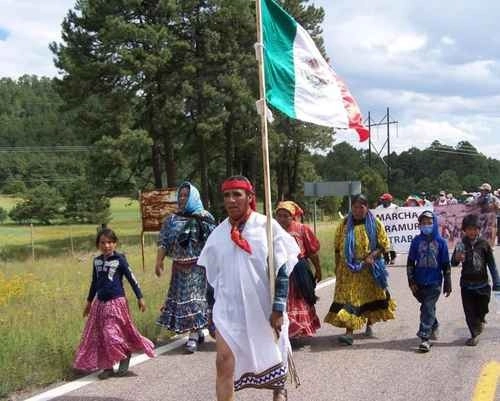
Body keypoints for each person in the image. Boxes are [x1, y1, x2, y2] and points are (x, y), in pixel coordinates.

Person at [197, 176, 300, 401]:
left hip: (263, 308)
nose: (231, 200)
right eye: (226, 195)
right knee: (223, 362)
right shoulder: (218, 234)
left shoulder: (266, 226)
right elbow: (211, 278)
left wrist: (278, 306)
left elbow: (282, 269)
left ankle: (279, 391)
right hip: (228, 310)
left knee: (273, 355)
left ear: (250, 197)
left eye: (237, 194)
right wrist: (210, 314)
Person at [74, 228, 155, 379]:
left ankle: (124, 354)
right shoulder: (96, 261)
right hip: (100, 304)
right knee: (101, 336)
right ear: (98, 245)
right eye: (103, 243)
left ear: (115, 243)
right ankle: (108, 367)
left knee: (110, 333)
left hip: (116, 303)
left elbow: (132, 278)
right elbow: (94, 283)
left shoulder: (119, 260)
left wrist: (140, 297)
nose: (106, 246)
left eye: (110, 242)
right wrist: (89, 302)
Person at [324, 194, 396, 346]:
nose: (357, 210)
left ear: (367, 207)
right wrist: (337, 267)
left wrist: (372, 256)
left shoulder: (375, 223)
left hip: (368, 269)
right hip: (348, 270)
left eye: (361, 207)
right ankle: (349, 333)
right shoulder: (344, 225)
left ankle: (369, 323)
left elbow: (383, 245)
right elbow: (337, 248)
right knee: (351, 299)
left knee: (369, 298)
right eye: (355, 207)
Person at [155, 182, 216, 353]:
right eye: (180, 195)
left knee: (193, 301)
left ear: (193, 197)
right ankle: (196, 331)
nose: (182, 199)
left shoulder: (205, 217)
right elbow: (164, 241)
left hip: (198, 267)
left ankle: (193, 337)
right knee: (183, 302)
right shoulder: (172, 219)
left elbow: (215, 242)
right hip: (179, 269)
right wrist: (158, 262)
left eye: (186, 195)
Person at [451, 214, 500, 346]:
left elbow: (491, 264)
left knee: (482, 309)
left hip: (483, 285)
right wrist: (456, 258)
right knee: (469, 312)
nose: (472, 232)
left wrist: (497, 282)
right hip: (466, 285)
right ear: (464, 230)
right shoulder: (461, 244)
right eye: (469, 229)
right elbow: (453, 263)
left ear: (479, 229)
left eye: (475, 229)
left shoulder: (484, 244)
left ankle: (481, 319)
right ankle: (474, 334)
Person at [407, 211, 452, 353]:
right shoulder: (416, 241)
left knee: (427, 306)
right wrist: (411, 281)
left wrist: (448, 282)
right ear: (419, 225)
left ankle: (425, 338)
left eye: (429, 223)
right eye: (423, 223)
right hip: (419, 282)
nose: (426, 226)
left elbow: (446, 264)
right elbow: (410, 262)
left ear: (434, 224)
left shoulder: (441, 242)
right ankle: (434, 324)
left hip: (435, 282)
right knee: (427, 307)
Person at [275, 201, 321, 340]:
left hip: (298, 272)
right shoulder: (272, 230)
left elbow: (312, 252)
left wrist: (318, 269)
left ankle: (297, 328)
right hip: (279, 271)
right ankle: (285, 330)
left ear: (293, 216)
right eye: (279, 216)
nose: (282, 219)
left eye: (286, 216)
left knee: (299, 298)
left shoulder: (302, 229)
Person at [376, 193, 397, 264]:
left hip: (392, 229)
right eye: (382, 200)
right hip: (383, 230)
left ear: (389, 200)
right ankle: (386, 259)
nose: (382, 201)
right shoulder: (378, 208)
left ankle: (393, 258)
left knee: (391, 244)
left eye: (384, 200)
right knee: (384, 244)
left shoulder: (395, 207)